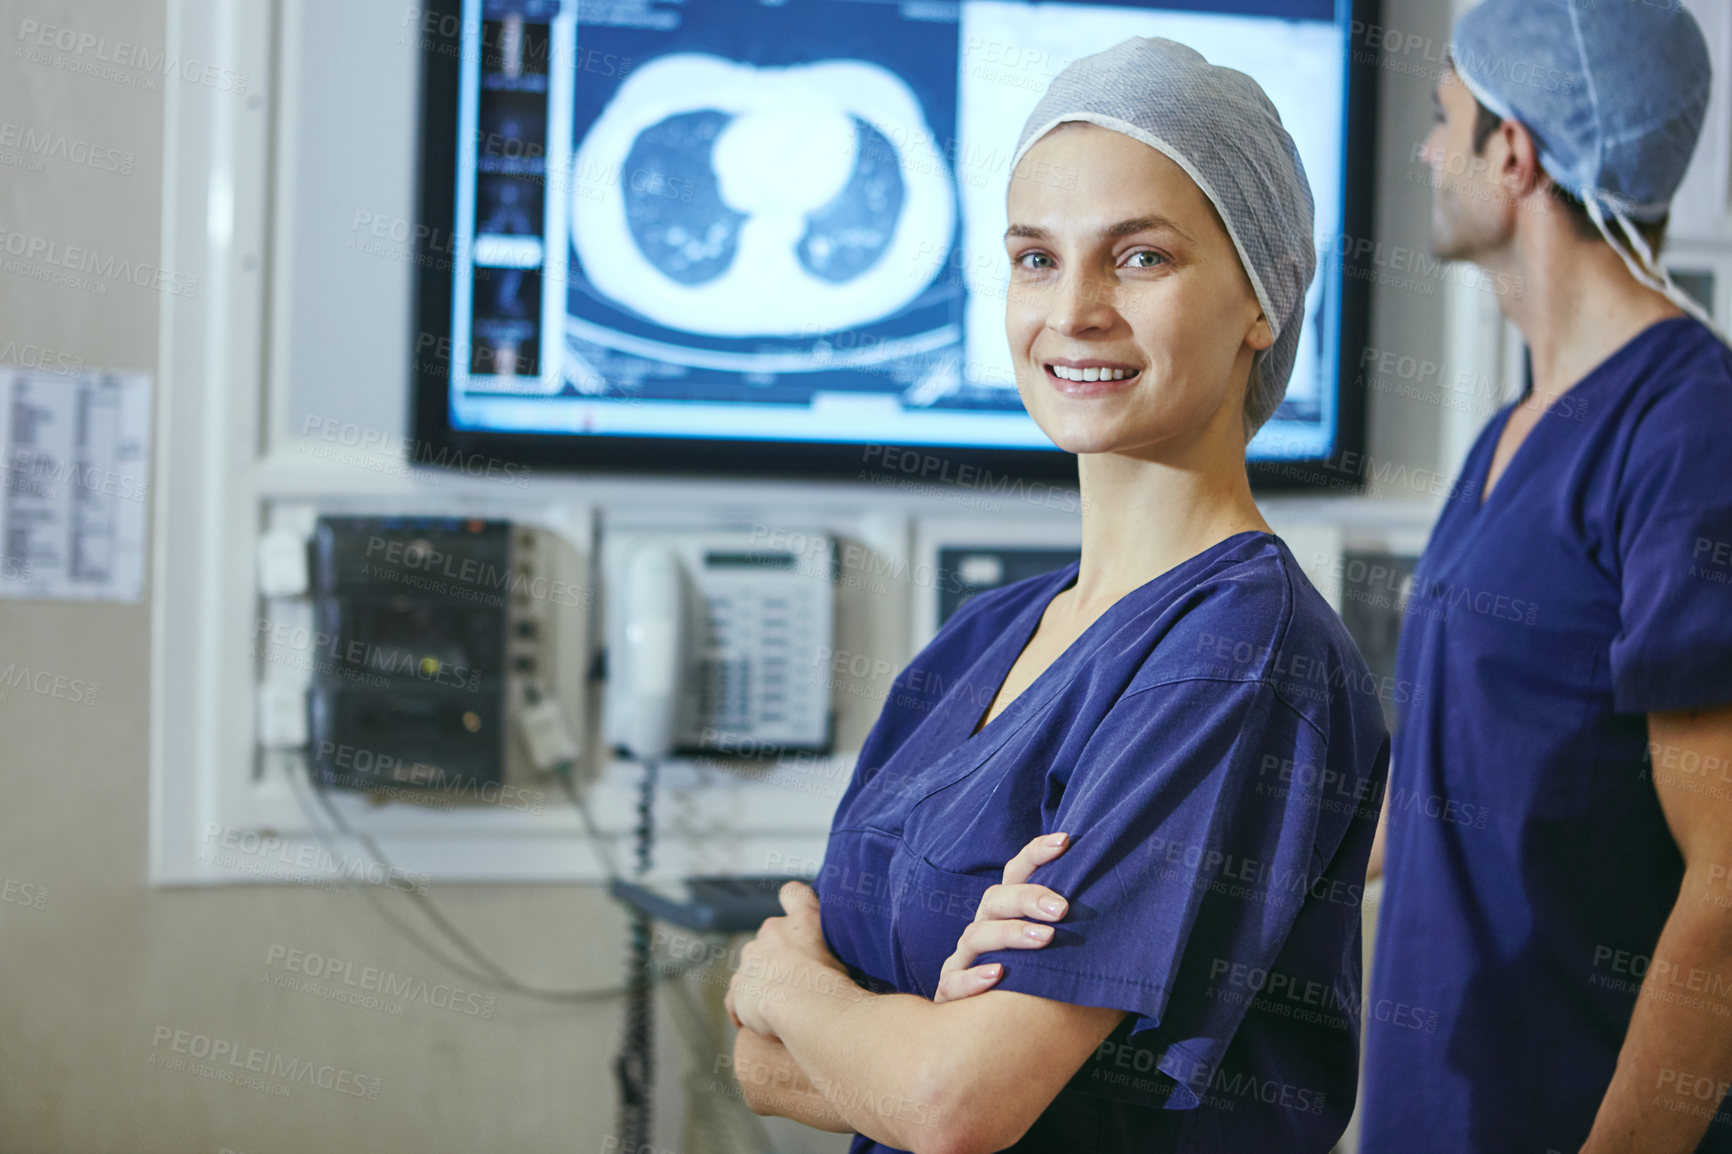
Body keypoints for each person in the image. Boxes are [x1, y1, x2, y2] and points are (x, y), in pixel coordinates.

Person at [723, 37, 1390, 1153]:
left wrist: (793, 986)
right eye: (1035, 258)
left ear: (1261, 297)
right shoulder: (981, 637)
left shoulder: (1240, 652)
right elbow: (755, 1069)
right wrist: (908, 1036)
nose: (1073, 309)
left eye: (1139, 258)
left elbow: (949, 1104)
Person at [1355, 2, 1732, 1152]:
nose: (1428, 151)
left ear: (1511, 152)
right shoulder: (1513, 429)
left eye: (1441, 120)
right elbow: (1452, 765)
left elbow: (1728, 884)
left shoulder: (1688, 431)